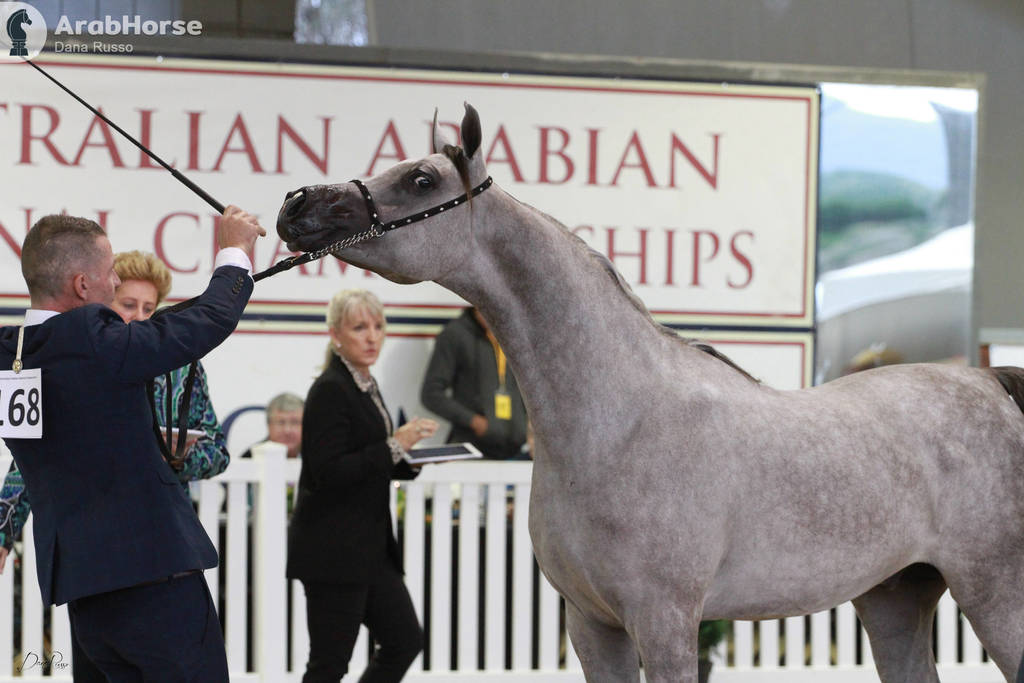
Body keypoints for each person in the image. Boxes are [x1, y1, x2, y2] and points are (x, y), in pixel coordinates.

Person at [0, 208, 264, 680]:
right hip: (152, 579)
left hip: (83, 588)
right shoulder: (96, 342)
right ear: (83, 285)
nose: (115, 281)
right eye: (109, 274)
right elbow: (210, 319)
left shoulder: (10, 354)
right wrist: (235, 251)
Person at [288, 288, 437, 683]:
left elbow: (370, 460)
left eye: (378, 326)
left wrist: (410, 460)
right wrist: (395, 445)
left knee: (404, 640)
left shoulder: (365, 384)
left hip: (371, 549)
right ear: (336, 335)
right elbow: (329, 472)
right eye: (359, 327)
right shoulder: (330, 389)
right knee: (329, 664)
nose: (372, 337)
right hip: (334, 549)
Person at [420, 307, 528, 459]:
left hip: (516, 451)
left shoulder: (513, 334)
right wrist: (474, 421)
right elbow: (431, 394)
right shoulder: (455, 334)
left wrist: (526, 426)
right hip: (472, 450)